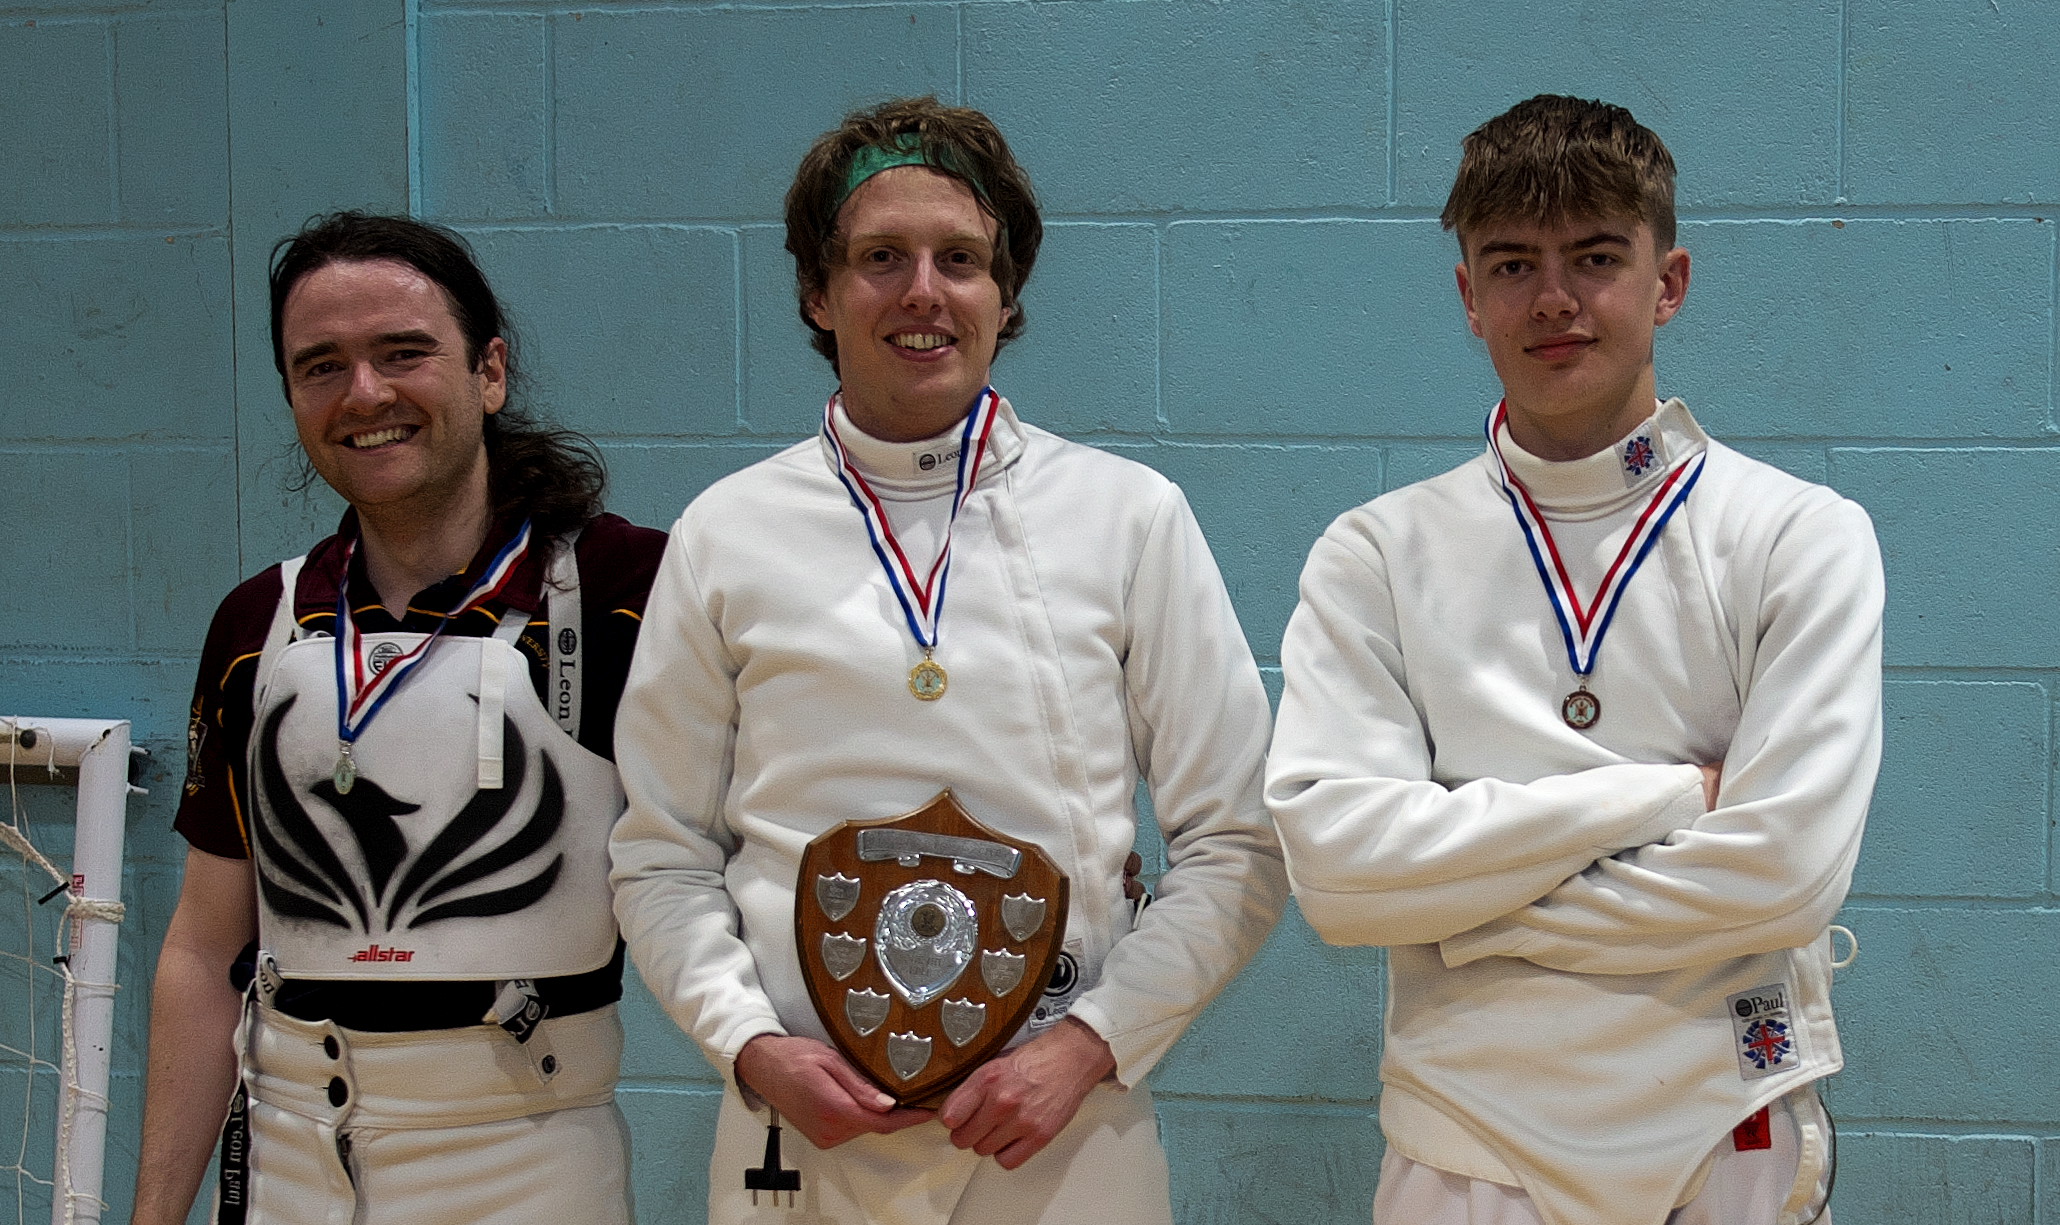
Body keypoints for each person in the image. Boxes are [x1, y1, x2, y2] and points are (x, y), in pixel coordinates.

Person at [608, 96, 1289, 1225]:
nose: (922, 291)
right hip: (802, 1127)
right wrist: (750, 1043)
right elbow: (660, 854)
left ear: (1003, 294)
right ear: (817, 295)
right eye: (880, 257)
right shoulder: (725, 533)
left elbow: (1238, 838)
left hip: (1060, 1125)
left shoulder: (1127, 516)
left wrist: (1088, 1043)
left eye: (958, 260)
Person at [1266, 95, 1882, 1225]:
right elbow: (1341, 878)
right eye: (1511, 264)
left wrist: (1455, 906)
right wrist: (1657, 798)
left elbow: (1784, 871)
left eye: (1594, 257)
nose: (1552, 299)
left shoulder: (1798, 533)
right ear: (1466, 297)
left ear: (1668, 282)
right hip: (1465, 1140)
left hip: (1726, 1131)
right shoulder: (1376, 553)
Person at [133, 212, 666, 1225]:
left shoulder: (624, 590)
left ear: (489, 371)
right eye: (321, 365)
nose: (365, 394)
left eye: (402, 353)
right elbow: (204, 952)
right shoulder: (261, 623)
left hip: (529, 1160)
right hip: (289, 1154)